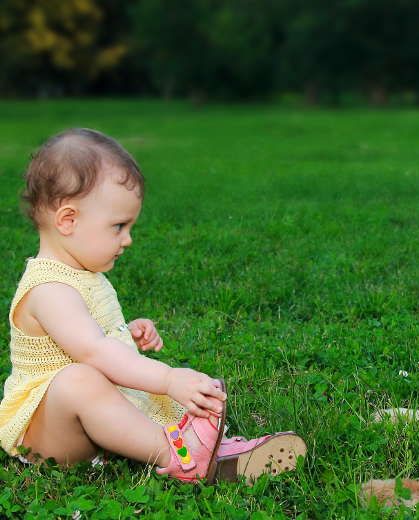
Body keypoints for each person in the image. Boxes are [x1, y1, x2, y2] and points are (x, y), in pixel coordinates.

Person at [0, 128, 306, 482]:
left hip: (82, 423)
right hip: (48, 439)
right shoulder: (50, 288)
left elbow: (85, 339)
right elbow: (93, 353)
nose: (127, 240)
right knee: (77, 380)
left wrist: (123, 334)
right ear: (68, 221)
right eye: (118, 226)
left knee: (93, 379)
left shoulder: (79, 273)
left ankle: (222, 455)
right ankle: (180, 455)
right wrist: (168, 378)